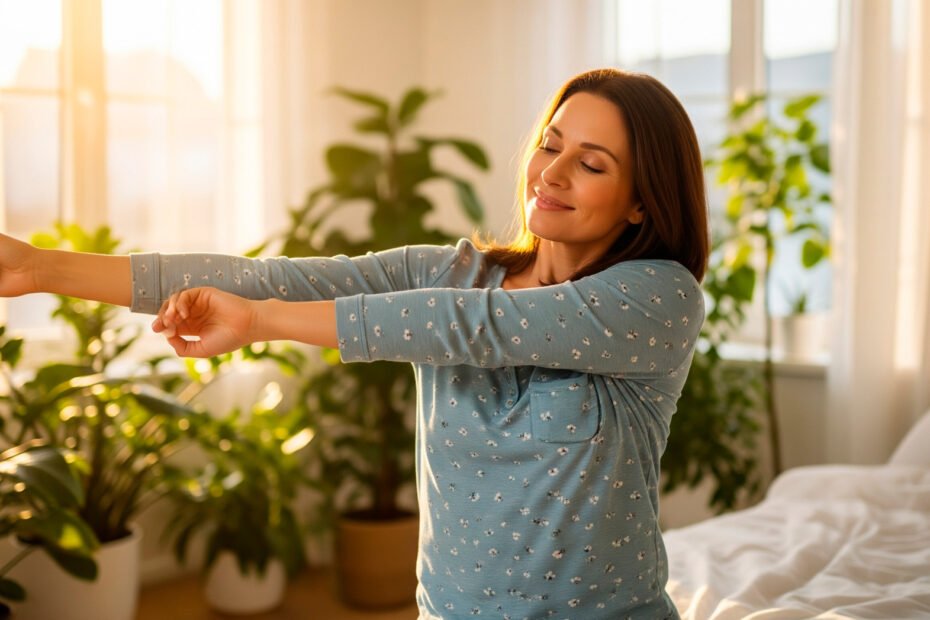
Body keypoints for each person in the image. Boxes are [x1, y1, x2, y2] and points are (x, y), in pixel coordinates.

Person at [0, 68, 708, 619]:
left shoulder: (657, 297)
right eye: (550, 145)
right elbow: (272, 278)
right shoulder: (452, 272)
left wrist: (260, 321)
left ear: (642, 199)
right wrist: (38, 268)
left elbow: (471, 328)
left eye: (591, 163)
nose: (550, 173)